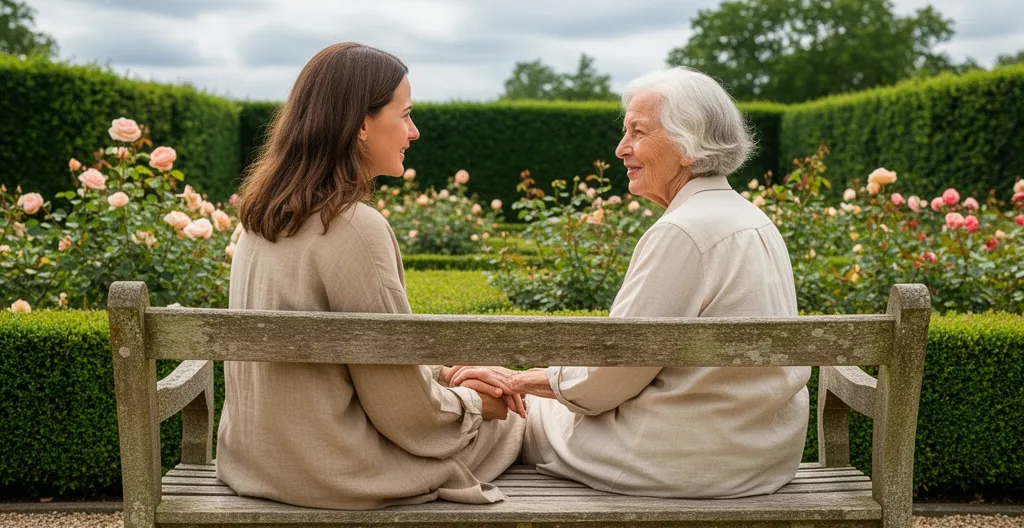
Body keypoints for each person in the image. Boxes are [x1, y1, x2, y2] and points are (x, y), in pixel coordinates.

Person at [447, 67, 811, 499]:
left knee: (507, 410)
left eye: (637, 132)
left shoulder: (682, 231)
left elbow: (607, 380)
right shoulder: (754, 218)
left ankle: (401, 480)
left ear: (689, 145)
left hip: (679, 459)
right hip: (761, 456)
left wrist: (519, 381)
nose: (621, 149)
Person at [216, 42, 524, 510]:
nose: (413, 131)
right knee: (521, 419)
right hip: (336, 472)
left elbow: (364, 362)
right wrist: (479, 404)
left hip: (254, 463)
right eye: (405, 115)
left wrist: (447, 373)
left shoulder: (261, 218)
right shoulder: (354, 227)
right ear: (361, 123)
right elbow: (407, 413)